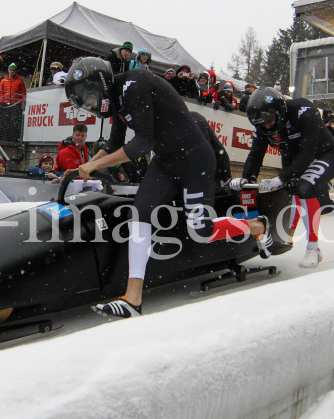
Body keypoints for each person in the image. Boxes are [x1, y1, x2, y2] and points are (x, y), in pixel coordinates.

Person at [67, 57, 268, 319]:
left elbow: (141, 144)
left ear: (100, 84)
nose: (92, 106)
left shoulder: (134, 84)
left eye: (90, 99)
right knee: (140, 214)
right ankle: (133, 298)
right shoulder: (118, 98)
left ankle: (257, 227)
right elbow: (114, 142)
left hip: (194, 160)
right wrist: (83, 167)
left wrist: (95, 165)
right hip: (166, 162)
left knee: (201, 232)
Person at [231, 87, 334, 269]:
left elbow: (308, 153)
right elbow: (255, 155)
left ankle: (313, 249)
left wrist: (281, 178)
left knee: (304, 188)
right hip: (293, 158)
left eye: (269, 122)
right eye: (262, 125)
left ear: (280, 111)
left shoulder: (303, 110)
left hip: (323, 155)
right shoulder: (262, 126)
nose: (267, 127)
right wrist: (246, 178)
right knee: (322, 207)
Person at [0, 63, 26, 132]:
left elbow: (23, 93)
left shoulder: (20, 81)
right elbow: (1, 92)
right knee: (5, 122)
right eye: (11, 70)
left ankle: (12, 138)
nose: (12, 71)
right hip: (5, 104)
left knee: (15, 122)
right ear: (8, 70)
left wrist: (22, 102)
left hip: (16, 104)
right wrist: (3, 101)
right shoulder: (3, 81)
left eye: (14, 70)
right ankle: (5, 136)